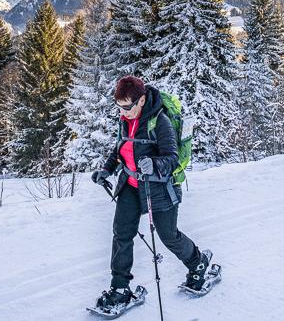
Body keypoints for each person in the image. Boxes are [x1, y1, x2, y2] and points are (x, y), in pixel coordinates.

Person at [90, 75, 211, 310]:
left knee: (169, 236)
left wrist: (154, 164)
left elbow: (172, 157)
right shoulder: (125, 120)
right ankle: (120, 288)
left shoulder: (160, 121)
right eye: (119, 106)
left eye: (127, 106)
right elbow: (119, 151)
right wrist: (106, 170)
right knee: (122, 234)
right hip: (131, 186)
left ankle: (197, 264)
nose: (123, 112)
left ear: (142, 100)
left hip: (158, 189)